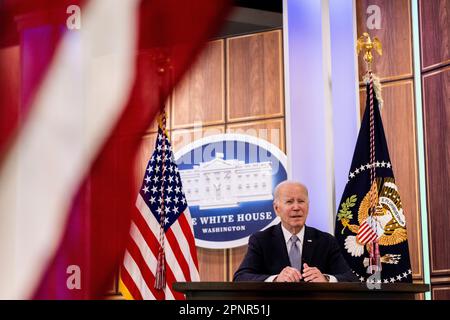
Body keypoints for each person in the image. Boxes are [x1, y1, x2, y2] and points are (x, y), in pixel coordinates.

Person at [233, 180, 358, 282]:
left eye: (301, 201)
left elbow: (350, 278)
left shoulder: (326, 240)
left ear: (308, 206)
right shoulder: (261, 240)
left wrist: (326, 279)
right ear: (276, 209)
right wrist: (276, 279)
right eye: (289, 202)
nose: (296, 207)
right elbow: (241, 278)